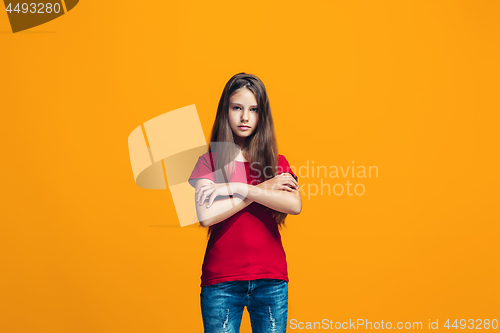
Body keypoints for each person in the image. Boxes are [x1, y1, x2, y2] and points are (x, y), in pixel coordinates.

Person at [188, 72, 302, 333]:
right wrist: (258, 189)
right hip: (222, 282)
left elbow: (294, 205)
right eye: (237, 108)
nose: (244, 117)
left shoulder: (277, 163)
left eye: (253, 109)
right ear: (225, 111)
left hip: (271, 280)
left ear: (262, 115)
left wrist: (236, 188)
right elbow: (207, 215)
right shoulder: (209, 162)